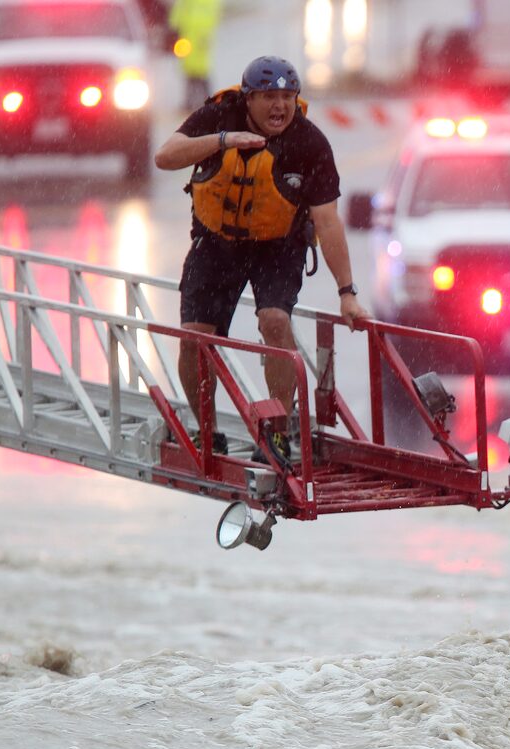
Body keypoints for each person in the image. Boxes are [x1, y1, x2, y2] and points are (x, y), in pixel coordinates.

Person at [154, 55, 368, 464]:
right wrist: (223, 140)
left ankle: (279, 429)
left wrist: (347, 293)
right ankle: (206, 430)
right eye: (270, 96)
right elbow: (165, 157)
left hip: (278, 245)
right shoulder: (220, 114)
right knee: (195, 338)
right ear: (248, 98)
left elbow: (327, 221)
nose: (280, 107)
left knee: (275, 320)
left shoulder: (310, 143)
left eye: (289, 97)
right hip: (217, 242)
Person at [168, 0, 223, 111]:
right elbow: (179, 9)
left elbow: (214, 15)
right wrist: (174, 26)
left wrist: (206, 33)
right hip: (187, 35)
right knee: (188, 68)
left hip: (200, 36)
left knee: (201, 69)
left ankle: (207, 99)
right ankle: (190, 100)